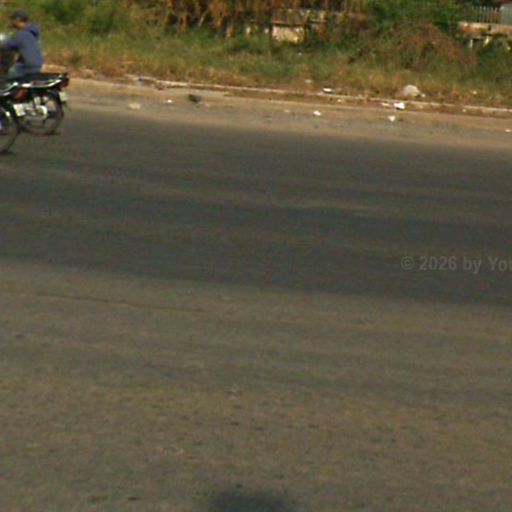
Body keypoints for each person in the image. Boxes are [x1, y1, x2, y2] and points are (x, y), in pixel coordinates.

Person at [1, 10, 43, 78]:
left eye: (12, 20)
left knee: (7, 77)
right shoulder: (32, 33)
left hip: (26, 66)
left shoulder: (21, 34)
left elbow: (7, 46)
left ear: (17, 20)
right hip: (37, 65)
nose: (11, 22)